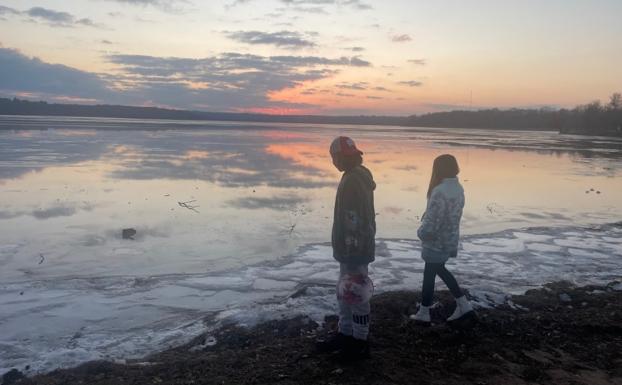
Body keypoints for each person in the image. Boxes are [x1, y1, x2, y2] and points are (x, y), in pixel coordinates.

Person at [317, 136, 376, 361]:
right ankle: (345, 333)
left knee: (356, 294)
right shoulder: (359, 175)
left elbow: (353, 218)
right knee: (345, 293)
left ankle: (359, 342)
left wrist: (351, 250)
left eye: (335, 158)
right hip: (354, 247)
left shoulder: (352, 180)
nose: (334, 162)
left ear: (340, 157)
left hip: (355, 248)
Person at [411, 154, 475, 325]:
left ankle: (425, 312)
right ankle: (462, 305)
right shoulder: (458, 188)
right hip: (449, 238)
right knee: (437, 271)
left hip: (436, 240)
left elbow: (433, 220)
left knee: (432, 273)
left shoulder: (439, 191)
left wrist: (422, 233)